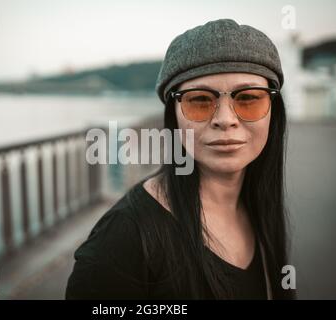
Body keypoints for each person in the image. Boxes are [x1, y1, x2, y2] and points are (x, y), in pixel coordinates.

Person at [65, 18, 296, 300]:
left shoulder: (258, 204)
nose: (225, 119)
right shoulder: (124, 237)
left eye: (248, 98)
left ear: (274, 111)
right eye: (199, 100)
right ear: (173, 116)